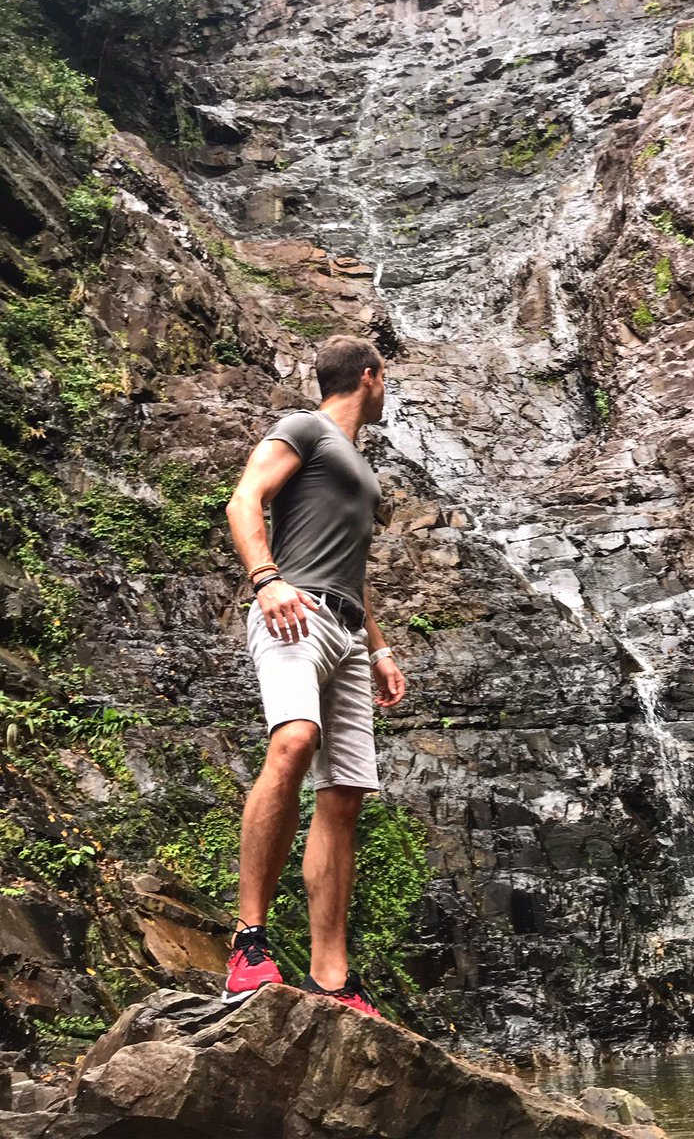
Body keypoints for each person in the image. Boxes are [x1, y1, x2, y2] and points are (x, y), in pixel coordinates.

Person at [222, 334, 406, 1015]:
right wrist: (266, 580)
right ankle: (249, 942)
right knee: (294, 741)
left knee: (346, 794)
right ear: (369, 375)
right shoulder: (307, 427)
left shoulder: (354, 464)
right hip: (292, 613)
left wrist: (380, 647)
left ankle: (332, 977)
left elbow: (350, 569)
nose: (388, 391)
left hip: (349, 632)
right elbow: (245, 499)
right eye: (386, 380)